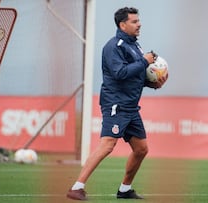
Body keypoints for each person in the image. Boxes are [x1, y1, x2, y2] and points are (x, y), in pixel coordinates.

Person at [66, 7, 167, 201]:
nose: (139, 24)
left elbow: (134, 75)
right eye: (135, 22)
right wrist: (145, 62)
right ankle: (76, 187)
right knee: (107, 145)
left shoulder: (134, 46)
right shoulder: (114, 46)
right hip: (116, 104)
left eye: (139, 21)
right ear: (123, 25)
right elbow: (120, 74)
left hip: (130, 107)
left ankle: (124, 190)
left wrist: (152, 84)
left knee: (141, 149)